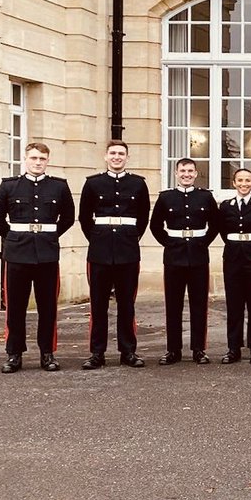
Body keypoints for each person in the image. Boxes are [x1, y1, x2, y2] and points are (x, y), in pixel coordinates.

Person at [0, 142, 75, 373]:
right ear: (25, 159)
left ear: (47, 161)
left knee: (48, 307)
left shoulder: (59, 187)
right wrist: (14, 237)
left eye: (42, 159)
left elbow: (67, 218)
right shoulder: (9, 186)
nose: (38, 162)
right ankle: (14, 354)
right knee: (15, 307)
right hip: (17, 255)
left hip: (46, 255)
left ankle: (47, 353)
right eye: (34, 158)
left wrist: (49, 236)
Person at [78, 139, 150, 369]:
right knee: (98, 305)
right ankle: (97, 353)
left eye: (121, 153)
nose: (117, 157)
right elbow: (84, 217)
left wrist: (129, 238)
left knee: (126, 304)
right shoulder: (93, 184)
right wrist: (98, 238)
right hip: (99, 251)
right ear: (105, 156)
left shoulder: (138, 185)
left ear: (127, 157)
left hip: (127, 251)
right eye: (113, 153)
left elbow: (143, 218)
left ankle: (128, 351)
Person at [150, 158, 220, 365]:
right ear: (176, 173)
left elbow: (215, 225)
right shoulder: (166, 197)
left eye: (190, 171)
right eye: (183, 171)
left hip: (198, 256)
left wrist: (203, 243)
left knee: (199, 305)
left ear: (196, 174)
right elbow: (155, 226)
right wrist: (169, 244)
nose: (186, 174)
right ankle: (173, 350)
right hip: (174, 257)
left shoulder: (205, 197)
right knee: (173, 305)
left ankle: (199, 349)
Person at [218, 168, 251, 364]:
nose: (243, 184)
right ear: (233, 183)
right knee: (234, 305)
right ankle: (233, 348)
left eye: (247, 180)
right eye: (240, 180)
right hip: (232, 258)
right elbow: (222, 231)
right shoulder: (226, 206)